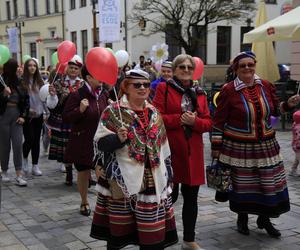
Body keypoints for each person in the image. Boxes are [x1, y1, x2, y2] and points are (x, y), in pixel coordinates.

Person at [211, 51, 300, 238]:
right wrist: (216, 150)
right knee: (242, 185)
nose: (247, 68)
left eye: (250, 64)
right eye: (242, 65)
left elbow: (275, 109)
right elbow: (218, 122)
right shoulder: (228, 90)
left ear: (255, 65)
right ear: (236, 69)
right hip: (238, 148)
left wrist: (289, 105)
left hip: (266, 147)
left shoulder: (266, 85)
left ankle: (264, 218)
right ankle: (242, 218)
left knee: (266, 184)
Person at [90, 69, 178, 249]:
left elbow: (163, 147)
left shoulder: (154, 112)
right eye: (137, 85)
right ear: (126, 87)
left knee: (151, 237)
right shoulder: (113, 112)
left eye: (146, 84)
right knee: (118, 235)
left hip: (152, 181)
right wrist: (118, 139)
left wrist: (169, 174)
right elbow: (100, 144)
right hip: (122, 180)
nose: (142, 88)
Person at [153, 54, 212, 250]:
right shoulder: (164, 88)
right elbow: (157, 117)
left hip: (192, 153)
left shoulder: (201, 93)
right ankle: (159, 235)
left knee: (191, 198)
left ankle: (189, 239)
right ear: (175, 69)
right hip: (170, 151)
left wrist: (194, 122)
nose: (186, 70)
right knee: (168, 197)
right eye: (182, 67)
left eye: (189, 67)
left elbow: (208, 123)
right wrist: (180, 119)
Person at [62, 65, 109, 216]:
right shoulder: (77, 95)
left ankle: (106, 202)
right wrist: (80, 110)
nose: (102, 77)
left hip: (101, 140)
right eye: (98, 74)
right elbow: (67, 117)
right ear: (88, 78)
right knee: (83, 171)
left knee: (103, 171)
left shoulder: (104, 94)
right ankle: (84, 201)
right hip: (82, 140)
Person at [46, 55, 84, 185]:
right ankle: (68, 173)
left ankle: (83, 175)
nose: (73, 70)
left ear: (79, 71)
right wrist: (52, 96)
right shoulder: (58, 83)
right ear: (67, 69)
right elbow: (52, 105)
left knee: (78, 148)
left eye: (76, 68)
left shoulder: (83, 85)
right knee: (66, 148)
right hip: (63, 120)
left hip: (78, 120)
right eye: (71, 67)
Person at [0, 58, 29, 186]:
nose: (17, 69)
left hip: (17, 116)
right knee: (4, 145)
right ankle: (4, 171)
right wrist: (4, 94)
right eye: (14, 67)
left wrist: (23, 116)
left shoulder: (20, 82)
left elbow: (26, 101)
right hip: (3, 116)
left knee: (18, 144)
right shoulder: (1, 82)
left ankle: (19, 173)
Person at [22, 58, 45, 176]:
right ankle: (24, 157)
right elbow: (20, 100)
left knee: (36, 140)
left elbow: (44, 99)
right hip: (27, 116)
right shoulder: (22, 82)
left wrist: (45, 113)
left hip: (39, 115)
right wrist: (27, 110)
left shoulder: (41, 82)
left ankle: (35, 165)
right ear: (26, 68)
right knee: (29, 138)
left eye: (34, 66)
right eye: (30, 65)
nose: (32, 67)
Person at [290, 110, 300, 176]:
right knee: (298, 158)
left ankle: (292, 171)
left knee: (297, 158)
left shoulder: (295, 124)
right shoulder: (299, 127)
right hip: (298, 145)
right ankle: (292, 171)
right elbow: (299, 137)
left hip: (295, 145)